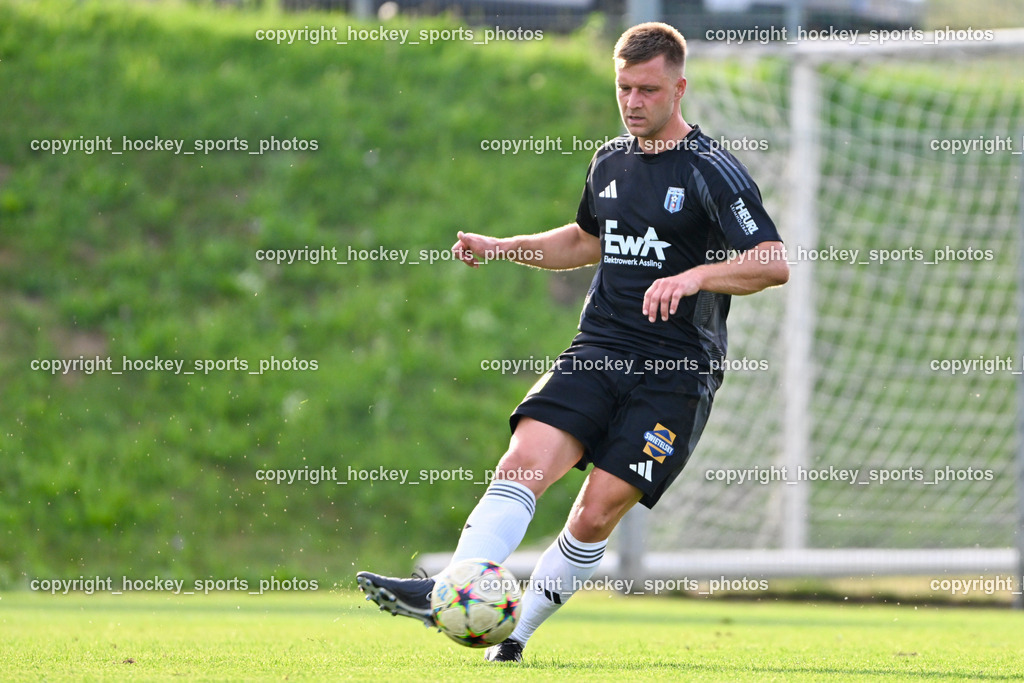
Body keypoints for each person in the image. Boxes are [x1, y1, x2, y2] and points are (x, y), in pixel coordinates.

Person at [357, 21, 788, 663]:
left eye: (647, 89)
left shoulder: (712, 171)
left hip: (676, 371)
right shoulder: (610, 162)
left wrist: (696, 274)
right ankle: (447, 587)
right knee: (521, 463)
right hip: (599, 347)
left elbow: (772, 261)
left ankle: (516, 636)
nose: (634, 102)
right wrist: (505, 247)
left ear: (679, 88)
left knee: (594, 513)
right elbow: (586, 240)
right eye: (624, 89)